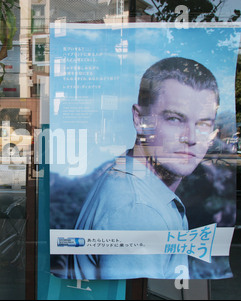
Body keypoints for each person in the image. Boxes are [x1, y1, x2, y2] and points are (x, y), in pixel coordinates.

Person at [64, 57, 220, 280]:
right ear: (139, 119)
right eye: (175, 119)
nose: (192, 138)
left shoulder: (127, 178)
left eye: (203, 124)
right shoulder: (140, 210)